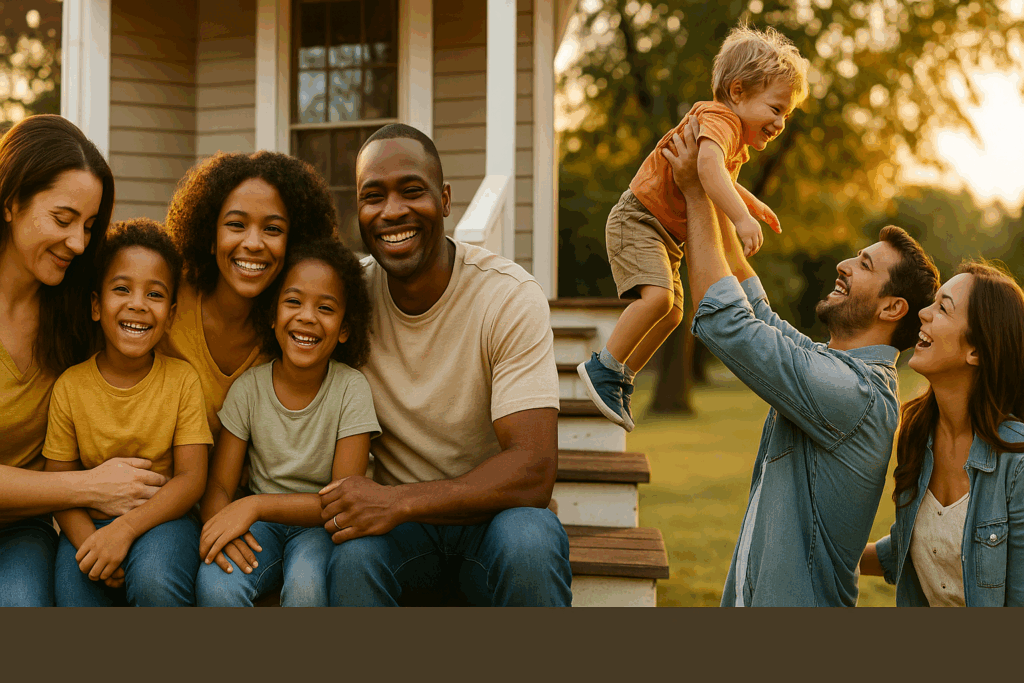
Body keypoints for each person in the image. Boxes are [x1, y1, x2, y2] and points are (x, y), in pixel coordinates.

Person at [662, 117, 940, 606]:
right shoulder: (831, 367)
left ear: (892, 308)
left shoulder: (856, 395)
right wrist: (715, 184)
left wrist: (695, 195)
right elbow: (756, 309)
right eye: (856, 256)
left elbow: (729, 325)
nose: (844, 265)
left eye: (865, 265)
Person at [320, 123, 571, 607]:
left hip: (492, 522)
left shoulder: (507, 296)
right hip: (401, 538)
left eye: (412, 191)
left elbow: (534, 468)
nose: (392, 211)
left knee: (531, 539)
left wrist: (397, 500)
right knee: (353, 558)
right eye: (373, 196)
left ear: (445, 199)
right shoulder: (347, 302)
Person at [578, 24, 809, 432]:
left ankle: (622, 378)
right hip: (641, 219)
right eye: (776, 109)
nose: (781, 124)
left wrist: (752, 202)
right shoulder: (720, 118)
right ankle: (603, 367)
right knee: (657, 300)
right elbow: (706, 169)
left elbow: (719, 176)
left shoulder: (731, 138)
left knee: (672, 313)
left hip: (665, 235)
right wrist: (740, 218)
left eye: (786, 115)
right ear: (737, 92)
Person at [0, 115, 168, 607]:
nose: (78, 242)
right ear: (11, 201)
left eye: (90, 226)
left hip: (20, 531)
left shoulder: (78, 308)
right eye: (63, 218)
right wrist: (90, 486)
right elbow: (89, 485)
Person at [160, 151, 338, 576]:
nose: (253, 243)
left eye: (272, 229)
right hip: (154, 499)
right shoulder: (166, 300)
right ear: (208, 232)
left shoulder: (294, 335)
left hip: (234, 512)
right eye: (235, 224)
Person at [196, 239, 380, 607]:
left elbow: (342, 500)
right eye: (293, 302)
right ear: (272, 315)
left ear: (344, 328)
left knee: (306, 588)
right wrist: (223, 530)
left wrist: (257, 505)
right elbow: (218, 484)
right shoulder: (248, 389)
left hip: (321, 528)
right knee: (216, 584)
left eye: (325, 308)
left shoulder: (350, 389)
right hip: (261, 527)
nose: (307, 317)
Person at [44, 219, 212, 606]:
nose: (137, 304)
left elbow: (191, 478)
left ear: (170, 316)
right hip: (88, 523)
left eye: (154, 294)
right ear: (95, 306)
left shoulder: (182, 380)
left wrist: (126, 531)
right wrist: (93, 542)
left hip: (163, 520)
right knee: (73, 591)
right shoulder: (70, 386)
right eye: (122, 289)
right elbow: (59, 483)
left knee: (156, 581)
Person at [859, 261, 1024, 606]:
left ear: (975, 351)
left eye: (943, 308)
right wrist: (820, 554)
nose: (923, 313)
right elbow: (925, 545)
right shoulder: (916, 434)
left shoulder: (1017, 464)